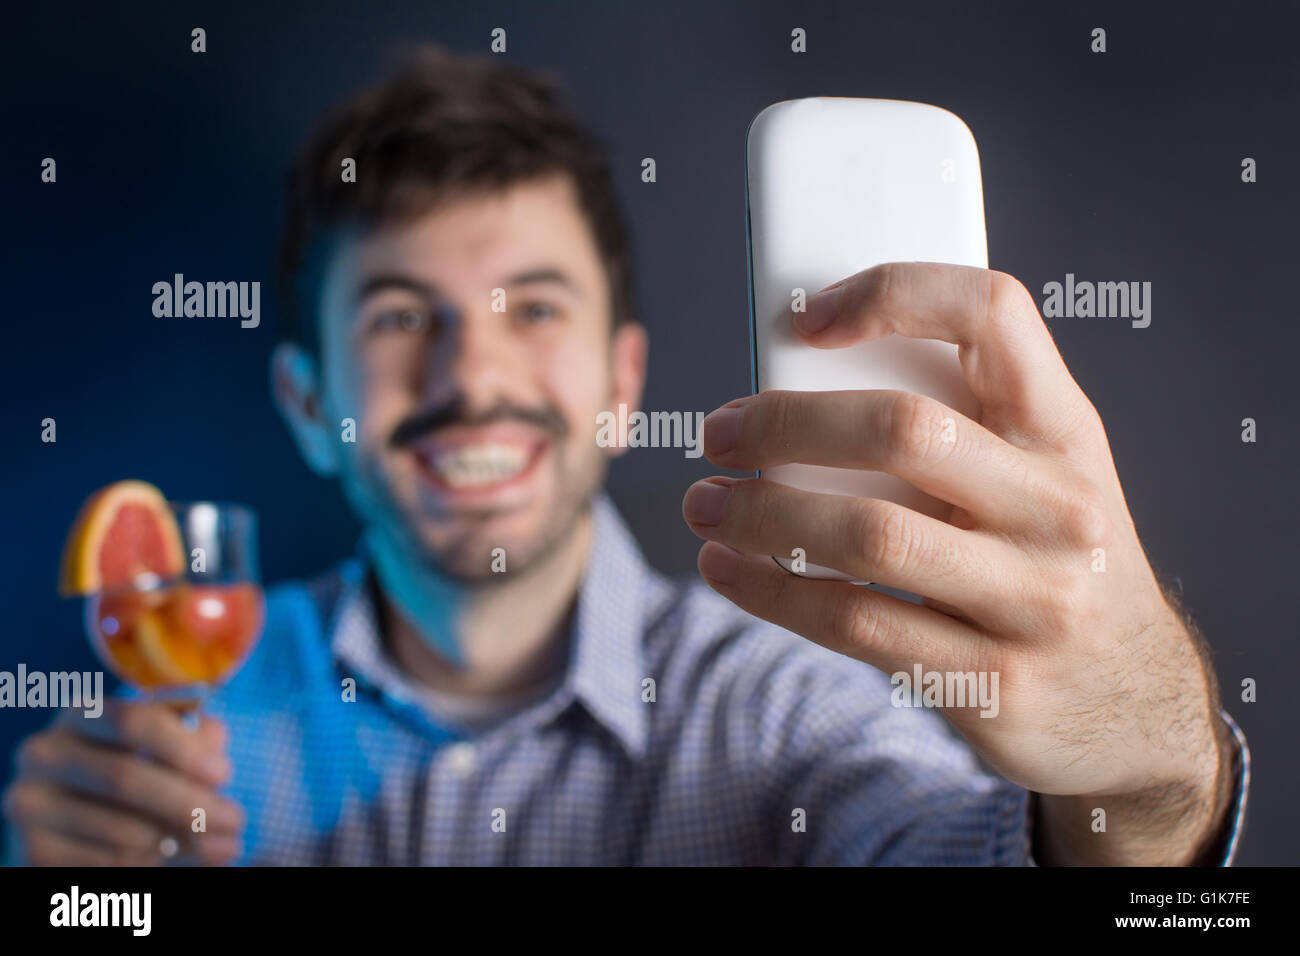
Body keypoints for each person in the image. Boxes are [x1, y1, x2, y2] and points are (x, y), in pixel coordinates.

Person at [3, 43, 1248, 866]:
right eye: (398, 317)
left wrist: (1145, 779)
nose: (472, 377)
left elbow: (956, 842)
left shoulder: (775, 700)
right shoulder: (189, 688)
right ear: (302, 398)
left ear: (620, 382)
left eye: (533, 308)